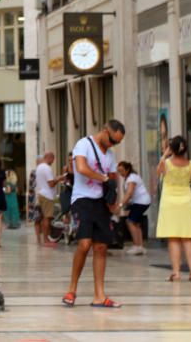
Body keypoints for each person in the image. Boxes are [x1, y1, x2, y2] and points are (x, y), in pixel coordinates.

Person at [63, 119, 126, 309]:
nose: (114, 145)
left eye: (117, 143)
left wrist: (114, 201)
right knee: (84, 243)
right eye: (113, 141)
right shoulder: (84, 144)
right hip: (82, 199)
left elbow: (114, 180)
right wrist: (103, 177)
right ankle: (72, 290)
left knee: (101, 247)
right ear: (105, 131)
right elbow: (81, 168)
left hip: (100, 202)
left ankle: (100, 295)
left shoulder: (110, 155)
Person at [156, 136, 191, 281]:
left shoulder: (166, 163)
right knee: (188, 238)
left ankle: (176, 273)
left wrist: (164, 154)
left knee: (173, 238)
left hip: (169, 203)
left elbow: (158, 173)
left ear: (172, 149)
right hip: (187, 202)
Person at [117, 161, 152, 255]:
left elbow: (129, 193)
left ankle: (137, 246)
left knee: (130, 222)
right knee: (135, 223)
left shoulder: (131, 178)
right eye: (119, 171)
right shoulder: (131, 177)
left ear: (127, 169)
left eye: (122, 171)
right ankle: (140, 246)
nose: (120, 173)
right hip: (140, 202)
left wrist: (120, 205)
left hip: (141, 202)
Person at [35, 152, 59, 247]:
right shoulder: (47, 168)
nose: (53, 161)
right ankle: (46, 240)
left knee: (42, 218)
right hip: (47, 195)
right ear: (49, 158)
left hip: (41, 193)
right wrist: (58, 179)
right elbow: (51, 184)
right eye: (53, 159)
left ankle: (44, 239)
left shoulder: (39, 167)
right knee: (47, 218)